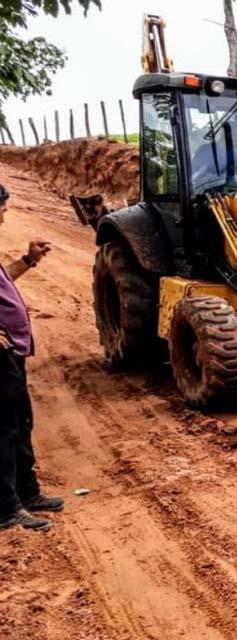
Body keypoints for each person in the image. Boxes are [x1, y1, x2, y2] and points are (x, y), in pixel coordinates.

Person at [0, 183, 64, 532]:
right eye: (4, 208)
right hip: (2, 352)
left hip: (14, 350)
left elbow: (3, 279)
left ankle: (28, 492)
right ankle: (6, 508)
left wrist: (29, 260)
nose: (5, 214)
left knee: (21, 422)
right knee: (4, 428)